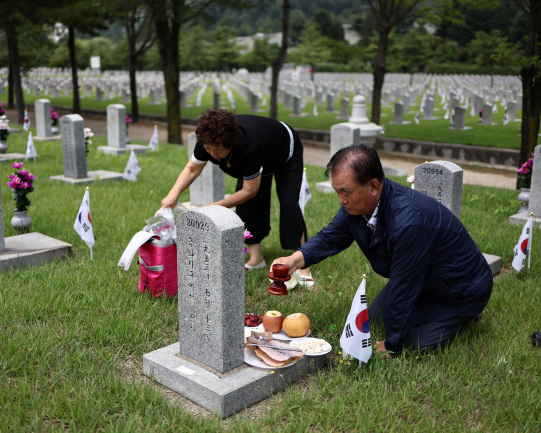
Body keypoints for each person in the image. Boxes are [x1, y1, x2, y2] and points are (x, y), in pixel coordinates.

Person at [272, 145, 493, 355]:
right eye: (337, 191)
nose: (341, 200)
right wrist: (295, 260)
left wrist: (392, 343)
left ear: (374, 186)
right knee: (376, 318)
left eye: (346, 192)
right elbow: (331, 236)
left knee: (415, 343)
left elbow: (404, 287)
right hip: (425, 278)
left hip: (459, 289)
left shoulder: (409, 222)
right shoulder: (357, 206)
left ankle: (463, 318)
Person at [160, 108, 313, 285]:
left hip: (284, 151)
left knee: (289, 204)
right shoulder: (208, 140)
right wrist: (173, 194)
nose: (212, 154)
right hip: (261, 152)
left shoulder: (249, 146)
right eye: (208, 149)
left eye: (217, 150)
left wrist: (215, 206)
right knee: (247, 206)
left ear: (231, 143)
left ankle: (303, 266)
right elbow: (192, 169)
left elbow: (250, 190)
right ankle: (256, 259)